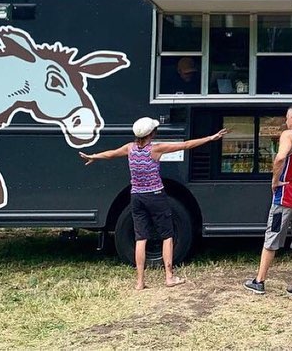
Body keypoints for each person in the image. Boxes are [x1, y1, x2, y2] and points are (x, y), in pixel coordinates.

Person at [80, 117, 227, 290]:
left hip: (136, 196)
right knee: (167, 235)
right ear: (152, 133)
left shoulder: (130, 148)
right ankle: (169, 277)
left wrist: (93, 156)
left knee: (140, 238)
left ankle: (140, 282)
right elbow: (186, 145)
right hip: (156, 195)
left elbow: (111, 154)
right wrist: (211, 138)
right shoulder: (156, 149)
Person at [244, 104, 292, 298]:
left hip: (285, 196)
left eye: (287, 119)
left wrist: (275, 181)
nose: (286, 122)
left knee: (272, 237)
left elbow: (280, 158)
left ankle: (259, 281)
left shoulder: (289, 135)